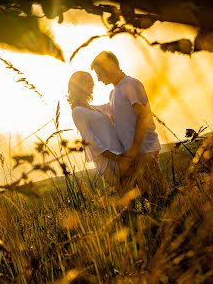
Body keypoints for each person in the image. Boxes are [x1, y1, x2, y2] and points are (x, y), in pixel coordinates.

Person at [90, 51, 167, 205]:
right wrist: (82, 106)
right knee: (150, 196)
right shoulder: (113, 93)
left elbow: (143, 116)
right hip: (133, 152)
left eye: (99, 73)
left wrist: (134, 149)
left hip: (144, 149)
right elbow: (107, 110)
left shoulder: (130, 84)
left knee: (159, 196)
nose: (98, 79)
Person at [68, 71, 124, 191]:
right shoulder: (77, 111)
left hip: (119, 153)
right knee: (125, 193)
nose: (91, 83)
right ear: (77, 85)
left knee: (134, 190)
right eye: (87, 80)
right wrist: (119, 159)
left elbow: (113, 105)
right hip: (109, 161)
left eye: (91, 80)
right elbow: (92, 145)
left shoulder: (95, 108)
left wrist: (120, 85)